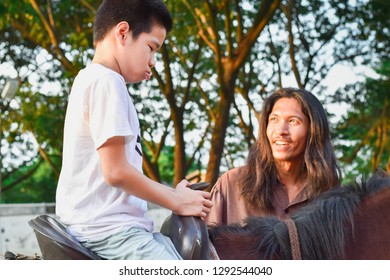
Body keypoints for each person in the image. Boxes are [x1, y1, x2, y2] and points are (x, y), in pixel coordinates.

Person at [55, 0, 213, 260]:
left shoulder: (92, 79)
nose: (153, 61)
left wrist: (176, 194)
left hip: (115, 229)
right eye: (151, 48)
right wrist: (178, 201)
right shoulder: (107, 81)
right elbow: (116, 172)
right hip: (110, 233)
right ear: (122, 32)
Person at [205, 87, 341, 226]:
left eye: (293, 121)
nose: (281, 131)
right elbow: (204, 244)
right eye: (274, 119)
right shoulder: (231, 184)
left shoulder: (331, 194)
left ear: (313, 131)